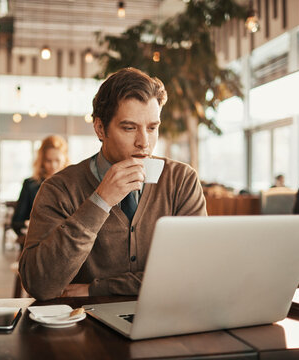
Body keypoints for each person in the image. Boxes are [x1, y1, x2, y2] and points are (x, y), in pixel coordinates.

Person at [19, 67, 207, 301]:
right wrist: (99, 202)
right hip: (85, 326)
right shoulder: (59, 189)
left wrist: (99, 288)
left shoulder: (181, 181)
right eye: (129, 128)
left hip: (165, 319)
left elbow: (193, 273)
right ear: (100, 128)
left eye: (152, 128)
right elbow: (40, 284)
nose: (144, 143)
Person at [11, 135, 69, 243]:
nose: (53, 165)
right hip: (36, 244)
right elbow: (16, 222)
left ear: (65, 159)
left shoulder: (72, 185)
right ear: (42, 161)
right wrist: (28, 224)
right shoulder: (30, 185)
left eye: (57, 160)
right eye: (48, 161)